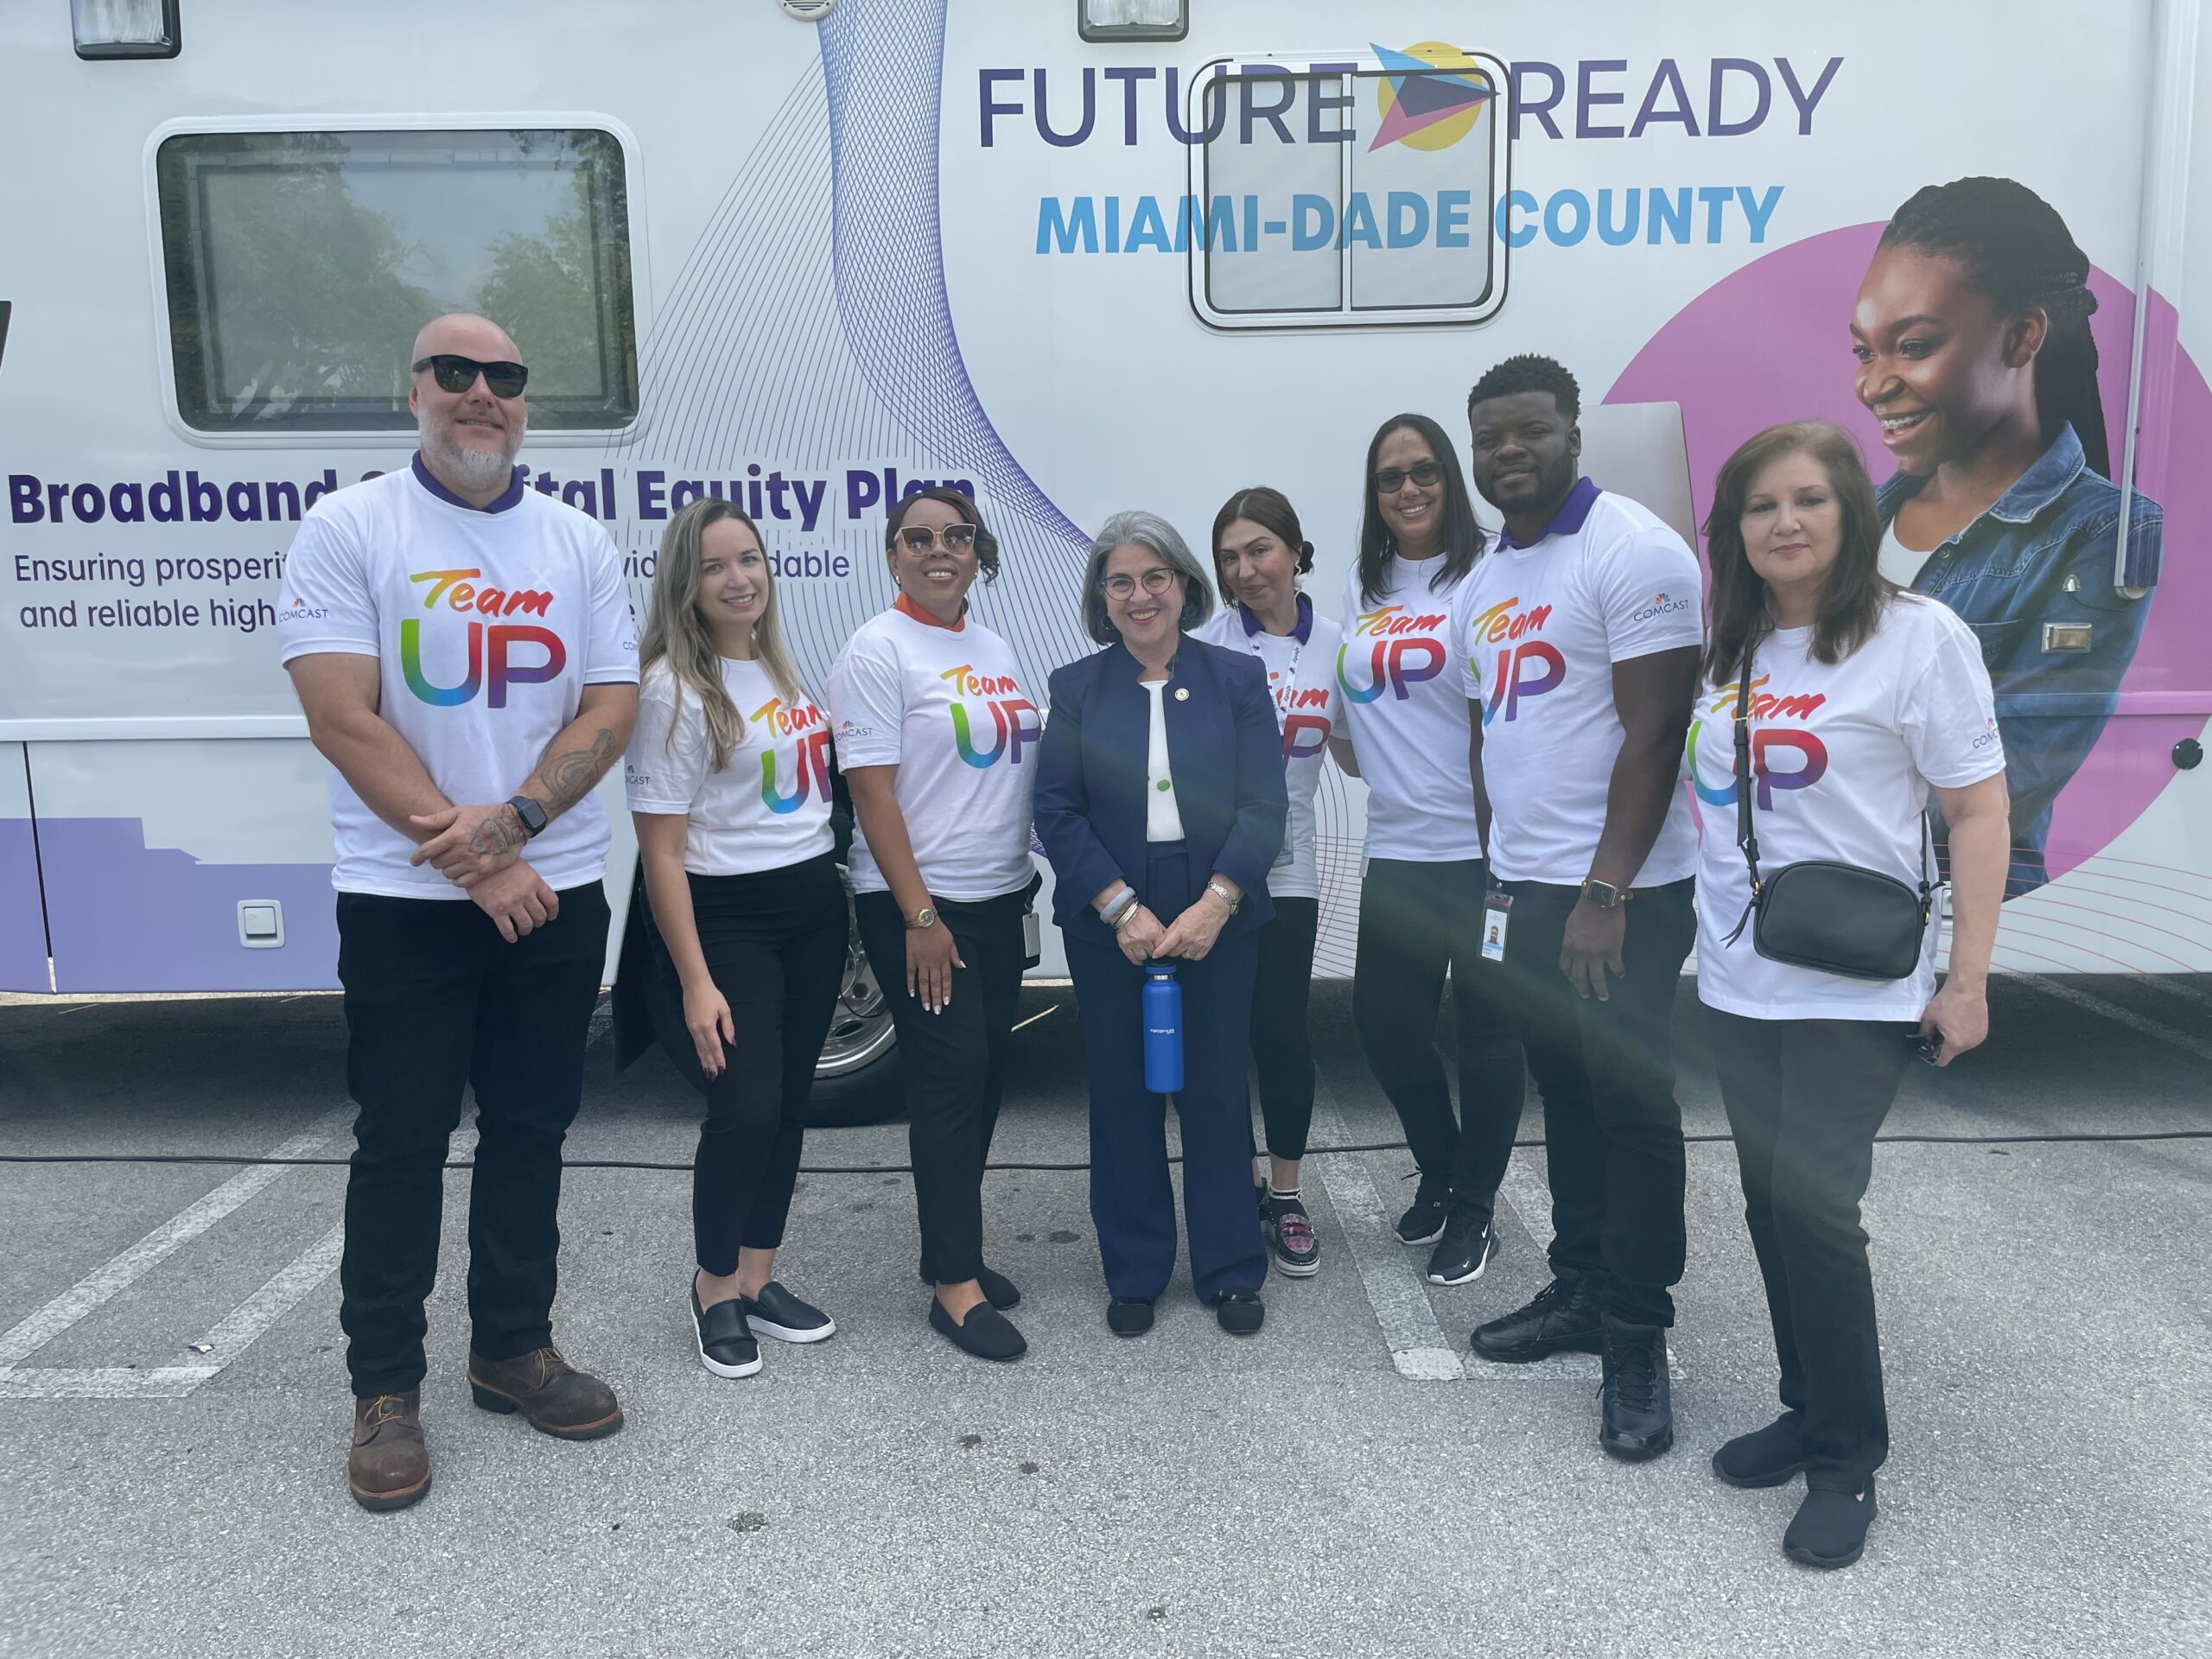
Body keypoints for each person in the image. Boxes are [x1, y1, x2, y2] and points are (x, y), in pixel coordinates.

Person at [277, 313, 639, 1512]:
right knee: (401, 1142)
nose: (481, 393)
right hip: (406, 901)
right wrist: (480, 863)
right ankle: (384, 1389)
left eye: (506, 377)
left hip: (558, 888)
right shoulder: (350, 527)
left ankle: (513, 1348)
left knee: (531, 1133)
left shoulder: (577, 540)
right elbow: (344, 717)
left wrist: (521, 828)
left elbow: (608, 708)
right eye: (455, 373)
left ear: (526, 402)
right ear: (416, 389)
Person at [1690, 420, 2009, 1568]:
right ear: (1734, 527)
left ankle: (1848, 1462)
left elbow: (1976, 812)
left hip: (1857, 988)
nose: (1784, 523)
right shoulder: (1728, 647)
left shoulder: (1916, 639)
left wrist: (1966, 977)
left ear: (1848, 514)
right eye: (1761, 505)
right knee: (1771, 1209)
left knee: (1819, 1212)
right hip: (1739, 979)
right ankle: (1805, 1407)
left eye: (1808, 501)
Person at [1452, 354, 1703, 1463]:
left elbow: (1655, 734)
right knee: (1567, 1094)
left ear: (1571, 433)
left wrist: (1605, 891)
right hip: (1527, 888)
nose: (1509, 452)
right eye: (1491, 437)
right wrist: (1497, 875)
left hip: (1623, 892)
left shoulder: (1635, 551)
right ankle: (1580, 1288)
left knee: (1633, 1108)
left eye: (1530, 432)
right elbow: (1487, 737)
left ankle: (1637, 1336)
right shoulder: (1484, 581)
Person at [1852, 175, 2161, 896]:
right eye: (1866, 352)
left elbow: (2016, 766)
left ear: (2023, 336)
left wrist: (1810, 792)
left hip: (1954, 901)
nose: (1874, 386)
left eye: (1915, 345)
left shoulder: (2105, 530)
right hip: (1815, 887)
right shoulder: (1852, 517)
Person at [1034, 512, 1287, 1337]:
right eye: (1120, 581)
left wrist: (1218, 903)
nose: (1139, 596)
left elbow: (1263, 806)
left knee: (1215, 1087)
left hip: (1216, 901)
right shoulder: (1075, 688)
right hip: (1112, 904)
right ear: (1101, 597)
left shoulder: (1237, 680)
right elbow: (1058, 811)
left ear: (1184, 584)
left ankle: (1229, 1269)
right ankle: (1136, 1270)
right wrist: (1119, 909)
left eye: (1155, 578)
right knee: (1121, 1092)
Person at [624, 498, 843, 1380]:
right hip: (730, 921)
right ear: (687, 582)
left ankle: (759, 1278)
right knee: (742, 1109)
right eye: (716, 565)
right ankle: (714, 1288)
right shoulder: (671, 691)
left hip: (812, 911)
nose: (738, 577)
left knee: (789, 1103)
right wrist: (694, 980)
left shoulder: (784, 674)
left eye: (748, 559)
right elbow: (662, 853)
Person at [824, 488, 1040, 1362]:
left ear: (977, 552)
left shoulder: (988, 643)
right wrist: (918, 915)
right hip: (922, 908)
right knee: (950, 1087)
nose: (938, 550)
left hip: (997, 897)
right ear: (892, 556)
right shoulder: (876, 651)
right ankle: (953, 1291)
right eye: (918, 539)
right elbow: (870, 794)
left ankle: (953, 1251)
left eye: (956, 536)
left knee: (984, 1079)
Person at [1333, 413, 1524, 1283]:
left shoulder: (1489, 575)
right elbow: (1347, 724)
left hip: (1483, 856)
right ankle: (1444, 1171)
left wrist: (1496, 850)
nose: (1407, 490)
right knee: (1386, 1027)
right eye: (1388, 478)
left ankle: (1475, 1209)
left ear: (1449, 478)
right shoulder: (1361, 587)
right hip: (1398, 852)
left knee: (1489, 1035)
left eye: (1422, 472)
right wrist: (1386, 766)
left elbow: (1505, 718)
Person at [1192, 487, 1343, 1278]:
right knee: (1218, 1039)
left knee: (1281, 1035)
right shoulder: (1207, 646)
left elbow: (1356, 751)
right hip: (1214, 873)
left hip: (1292, 871)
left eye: (1259, 550)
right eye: (1229, 556)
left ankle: (1285, 1193)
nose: (1246, 569)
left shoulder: (1339, 647)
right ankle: (1234, 1180)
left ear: (1294, 550)